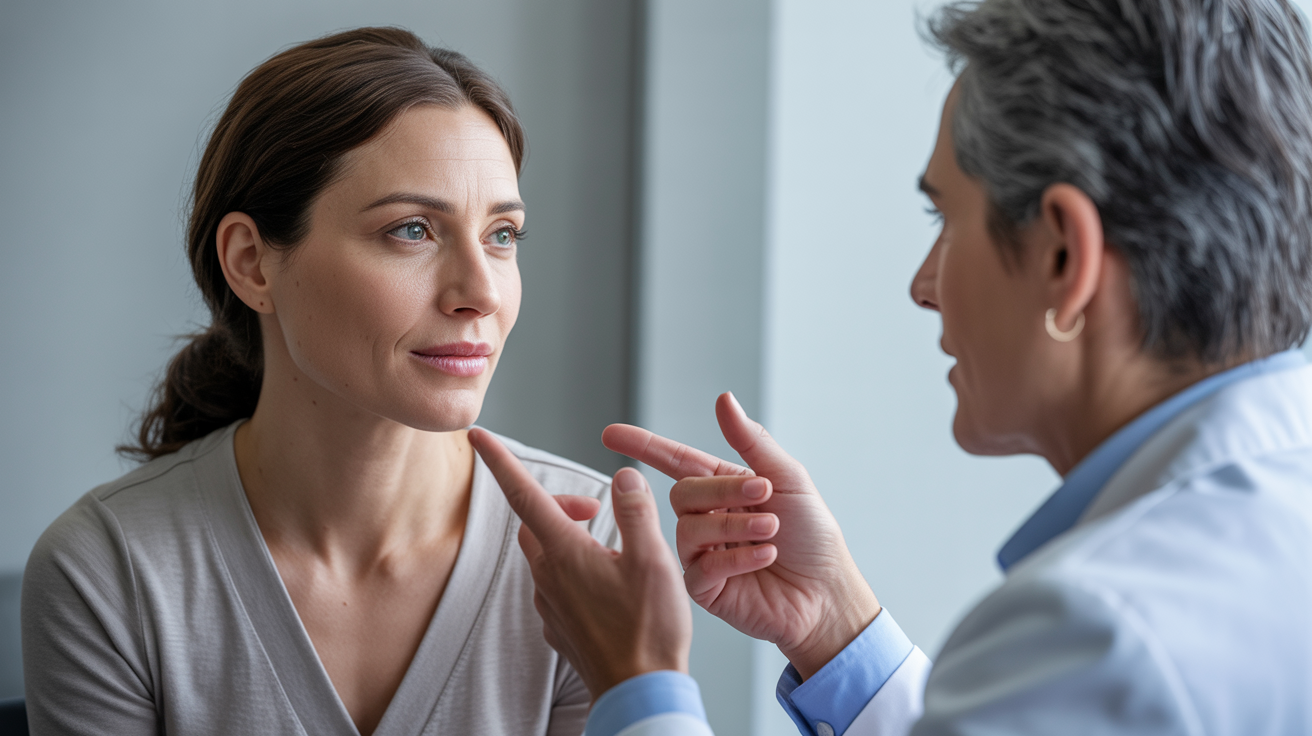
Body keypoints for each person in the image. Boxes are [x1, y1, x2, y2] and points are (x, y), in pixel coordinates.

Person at [469, 0, 1312, 733]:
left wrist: (639, 679)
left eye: (947, 217)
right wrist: (835, 622)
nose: (922, 285)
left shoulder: (1101, 633)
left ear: (1064, 254)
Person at [21, 27, 618, 736]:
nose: (480, 293)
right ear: (251, 262)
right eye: (413, 231)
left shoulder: (587, 537)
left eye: (501, 235)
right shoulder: (108, 570)